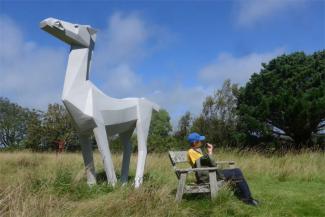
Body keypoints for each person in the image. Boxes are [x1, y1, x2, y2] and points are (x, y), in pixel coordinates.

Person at [187, 132, 259, 206]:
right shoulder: (191, 152)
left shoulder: (196, 151)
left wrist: (209, 154)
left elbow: (207, 163)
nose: (201, 142)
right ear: (195, 142)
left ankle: (244, 196)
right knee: (236, 172)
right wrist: (210, 152)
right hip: (208, 176)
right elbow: (205, 164)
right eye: (199, 140)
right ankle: (247, 199)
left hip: (210, 173)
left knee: (236, 171)